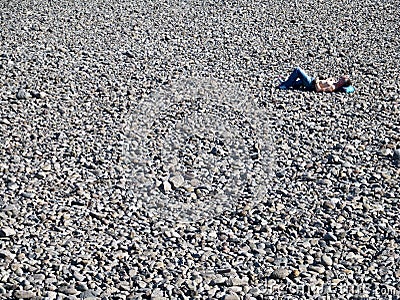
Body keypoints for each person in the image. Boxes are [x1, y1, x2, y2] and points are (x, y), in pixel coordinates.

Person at [278, 67, 355, 93]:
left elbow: (319, 90)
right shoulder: (334, 82)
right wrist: (329, 79)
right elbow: (326, 81)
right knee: (295, 83)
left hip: (311, 83)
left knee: (298, 70)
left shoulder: (332, 88)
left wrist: (317, 81)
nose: (341, 77)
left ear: (342, 83)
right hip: (312, 80)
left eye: (343, 79)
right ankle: (285, 83)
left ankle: (285, 85)